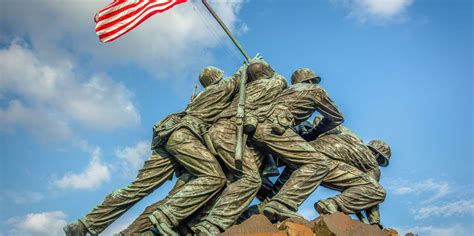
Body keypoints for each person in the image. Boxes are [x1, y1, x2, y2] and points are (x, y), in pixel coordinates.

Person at [63, 64, 243, 236]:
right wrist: (249, 65)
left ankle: (84, 224)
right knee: (215, 177)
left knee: (138, 187)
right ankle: (166, 215)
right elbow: (240, 77)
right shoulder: (220, 88)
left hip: (169, 136)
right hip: (184, 138)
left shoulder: (199, 97)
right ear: (218, 78)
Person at [193, 60, 288, 234]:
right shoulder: (269, 85)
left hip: (217, 133)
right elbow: (281, 80)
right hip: (228, 133)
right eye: (268, 69)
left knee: (232, 179)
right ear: (265, 73)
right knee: (251, 179)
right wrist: (262, 68)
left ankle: (198, 221)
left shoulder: (244, 90)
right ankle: (212, 224)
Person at [250, 68, 344, 221]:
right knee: (319, 164)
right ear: (311, 81)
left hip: (255, 129)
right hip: (274, 129)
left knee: (250, 178)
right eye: (313, 81)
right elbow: (336, 117)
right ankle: (282, 204)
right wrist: (313, 133)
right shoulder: (315, 90)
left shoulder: (284, 92)